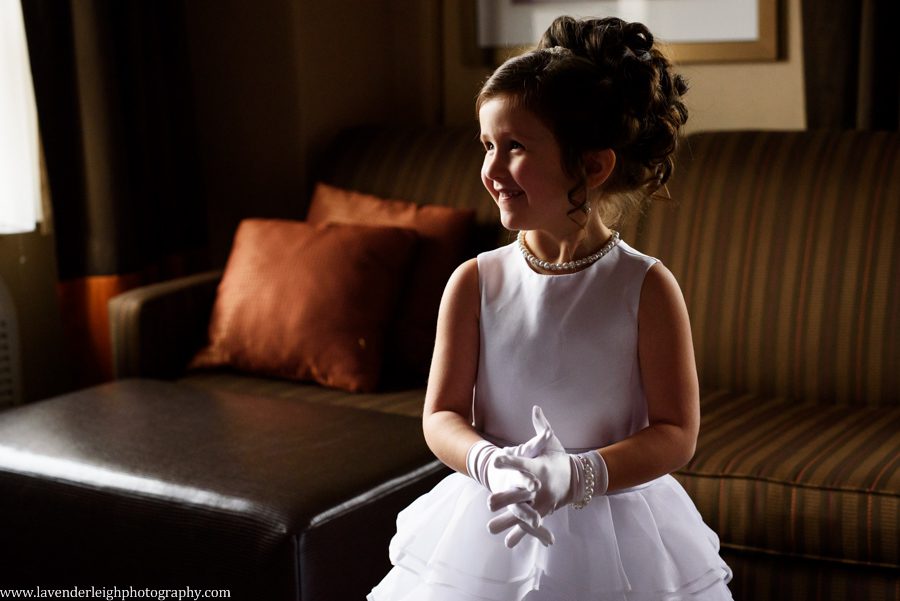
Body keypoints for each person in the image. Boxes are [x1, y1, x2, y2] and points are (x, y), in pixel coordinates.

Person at [368, 15, 733, 601]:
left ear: (592, 166)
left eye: (515, 147)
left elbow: (675, 433)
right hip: (490, 520)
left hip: (616, 529)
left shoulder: (646, 288)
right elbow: (440, 415)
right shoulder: (473, 282)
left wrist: (573, 475)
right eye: (486, 145)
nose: (490, 171)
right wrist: (490, 463)